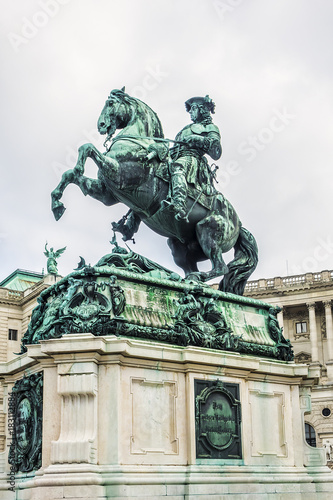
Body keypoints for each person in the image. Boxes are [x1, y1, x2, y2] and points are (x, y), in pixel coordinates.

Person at [165, 95, 222, 220]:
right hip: (176, 156)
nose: (190, 111)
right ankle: (131, 224)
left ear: (201, 110)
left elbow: (216, 151)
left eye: (193, 108)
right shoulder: (185, 129)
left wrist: (197, 139)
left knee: (177, 167)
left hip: (192, 159)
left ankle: (179, 204)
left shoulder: (210, 128)